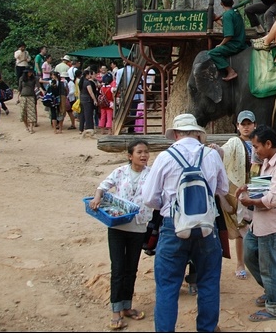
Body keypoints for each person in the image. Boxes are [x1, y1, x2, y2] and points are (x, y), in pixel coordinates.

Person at [141, 113, 229, 332]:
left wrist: (168, 204)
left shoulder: (164, 157)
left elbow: (149, 197)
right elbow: (223, 190)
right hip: (207, 227)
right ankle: (207, 329)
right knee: (208, 282)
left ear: (176, 133)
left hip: (173, 226)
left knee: (167, 286)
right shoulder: (211, 155)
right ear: (197, 133)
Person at [89, 139, 152, 331]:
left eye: (146, 152)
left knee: (131, 268)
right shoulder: (120, 172)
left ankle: (127, 306)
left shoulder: (152, 175)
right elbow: (103, 185)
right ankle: (115, 311)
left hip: (139, 227)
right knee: (118, 268)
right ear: (129, 156)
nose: (143, 156)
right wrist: (97, 197)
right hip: (117, 226)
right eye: (139, 152)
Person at [236, 124, 276, 322]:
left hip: (271, 225)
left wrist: (250, 201)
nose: (255, 150)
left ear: (268, 144)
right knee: (250, 253)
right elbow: (265, 185)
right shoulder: (269, 161)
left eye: (256, 146)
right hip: (259, 223)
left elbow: (272, 199)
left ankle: (275, 307)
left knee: (269, 266)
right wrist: (249, 187)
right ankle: (274, 290)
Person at [220, 110, 260, 281]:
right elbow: (224, 152)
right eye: (242, 124)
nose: (246, 127)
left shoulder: (259, 142)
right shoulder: (234, 142)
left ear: (254, 125)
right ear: (237, 126)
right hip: (241, 190)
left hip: (258, 188)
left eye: (248, 124)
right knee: (242, 227)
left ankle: (257, 261)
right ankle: (240, 263)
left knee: (260, 226)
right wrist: (215, 151)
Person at [208, 0, 248, 81]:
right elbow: (226, 24)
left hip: (234, 45)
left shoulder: (227, 15)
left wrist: (220, 44)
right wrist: (216, 19)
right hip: (242, 42)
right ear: (233, 2)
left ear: (221, 4)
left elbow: (229, 35)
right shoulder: (235, 12)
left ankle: (230, 71)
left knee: (212, 53)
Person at [18, 69, 40, 134]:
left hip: (31, 96)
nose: (30, 73)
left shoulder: (34, 78)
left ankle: (31, 128)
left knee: (31, 112)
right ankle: (26, 126)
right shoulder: (21, 78)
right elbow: (19, 88)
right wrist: (18, 97)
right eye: (29, 72)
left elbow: (38, 86)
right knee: (23, 112)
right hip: (23, 96)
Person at [79, 67, 99, 135]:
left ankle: (81, 129)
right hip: (87, 100)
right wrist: (95, 100)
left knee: (82, 115)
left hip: (82, 99)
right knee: (88, 115)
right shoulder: (87, 82)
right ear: (87, 75)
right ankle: (89, 128)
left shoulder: (81, 82)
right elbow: (91, 92)